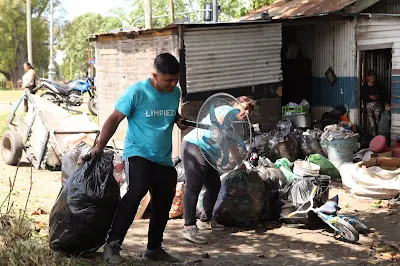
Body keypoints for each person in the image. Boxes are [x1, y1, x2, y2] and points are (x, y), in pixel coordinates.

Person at [91, 53, 187, 265]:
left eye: (176, 79)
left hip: (163, 157)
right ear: (154, 75)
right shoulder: (137, 91)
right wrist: (98, 146)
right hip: (138, 152)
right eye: (168, 79)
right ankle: (113, 245)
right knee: (136, 191)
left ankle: (154, 248)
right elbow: (115, 118)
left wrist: (178, 120)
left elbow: (170, 114)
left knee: (164, 200)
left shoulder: (175, 92)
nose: (173, 84)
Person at [180, 96, 255, 244]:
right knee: (193, 186)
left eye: (249, 111)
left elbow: (232, 144)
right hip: (194, 146)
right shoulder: (227, 110)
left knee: (214, 185)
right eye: (244, 108)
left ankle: (205, 220)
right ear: (236, 104)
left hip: (207, 152)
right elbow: (219, 123)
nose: (246, 112)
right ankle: (189, 227)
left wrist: (240, 163)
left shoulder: (232, 123)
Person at [361, 70, 385, 137]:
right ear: (368, 77)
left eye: (374, 78)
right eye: (371, 78)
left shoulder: (378, 86)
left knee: (378, 121)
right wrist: (369, 96)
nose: (373, 79)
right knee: (372, 123)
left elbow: (383, 94)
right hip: (369, 106)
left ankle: (380, 136)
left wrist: (377, 97)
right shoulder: (364, 86)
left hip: (377, 105)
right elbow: (362, 96)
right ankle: (374, 137)